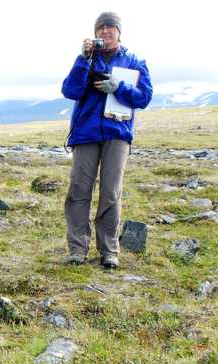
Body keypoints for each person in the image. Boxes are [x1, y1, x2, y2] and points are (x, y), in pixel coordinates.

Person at [61, 12, 153, 269]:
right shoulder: (87, 59)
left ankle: (109, 251)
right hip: (86, 132)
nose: (105, 32)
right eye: (100, 28)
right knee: (79, 190)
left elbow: (144, 97)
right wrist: (83, 59)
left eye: (110, 27)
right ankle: (77, 249)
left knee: (111, 193)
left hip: (117, 133)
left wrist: (119, 88)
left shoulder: (135, 61)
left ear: (119, 32)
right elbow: (71, 91)